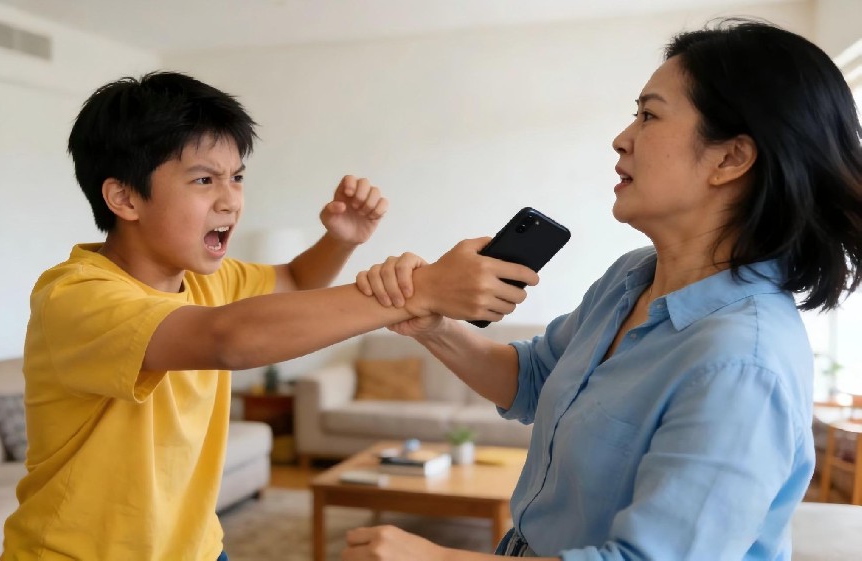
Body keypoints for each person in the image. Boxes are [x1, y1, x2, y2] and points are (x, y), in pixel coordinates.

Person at [345, 19, 862, 561]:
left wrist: (435, 557)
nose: (622, 138)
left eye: (649, 115)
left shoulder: (741, 364)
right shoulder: (631, 276)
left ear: (730, 159)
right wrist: (435, 325)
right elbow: (533, 380)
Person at [0, 71, 540, 561]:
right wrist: (421, 291)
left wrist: (339, 240)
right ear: (123, 197)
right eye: (204, 180)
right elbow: (226, 339)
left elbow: (298, 283)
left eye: (236, 177)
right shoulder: (75, 296)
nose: (232, 201)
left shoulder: (211, 278)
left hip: (197, 549)